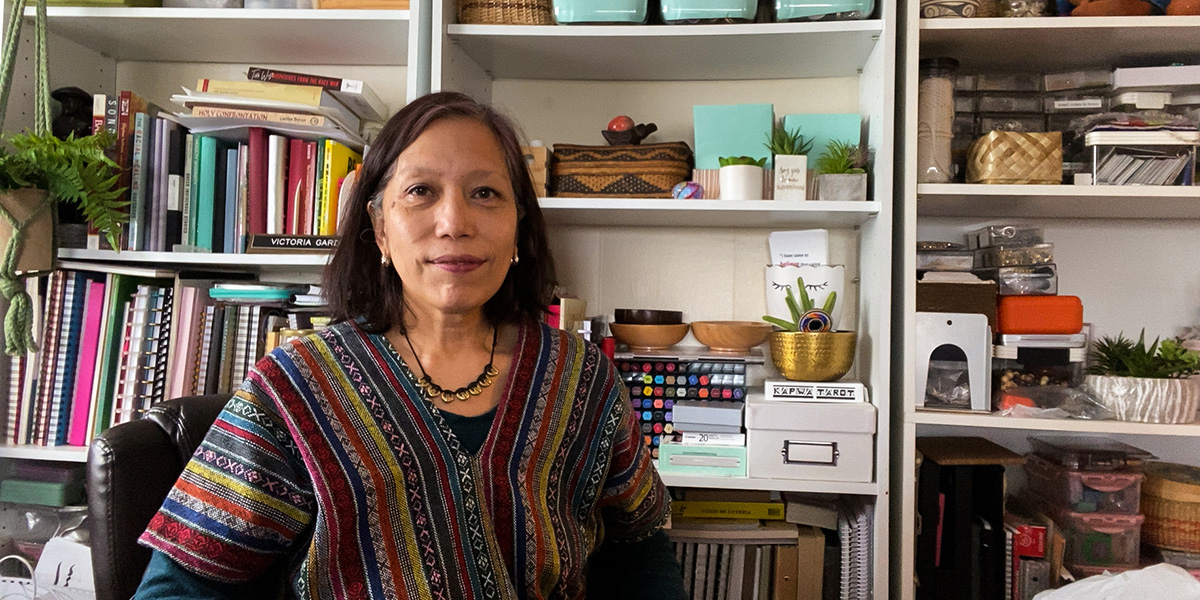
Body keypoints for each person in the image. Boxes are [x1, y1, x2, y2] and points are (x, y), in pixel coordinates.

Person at [131, 91, 687, 599]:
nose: (454, 221)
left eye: (486, 193)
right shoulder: (297, 386)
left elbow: (639, 549)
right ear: (379, 228)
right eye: (420, 192)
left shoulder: (582, 379)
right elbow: (180, 587)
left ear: (519, 222)